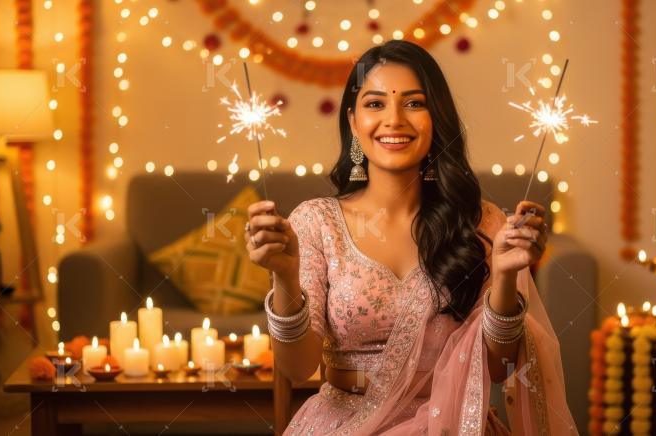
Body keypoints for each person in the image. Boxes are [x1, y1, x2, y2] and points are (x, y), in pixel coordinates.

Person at [245, 40, 576, 435]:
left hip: (453, 425)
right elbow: (298, 369)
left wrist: (505, 278)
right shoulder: (316, 223)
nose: (394, 119)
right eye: (375, 104)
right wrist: (285, 277)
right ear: (353, 122)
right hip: (344, 423)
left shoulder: (479, 222)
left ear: (437, 118)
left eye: (415, 104)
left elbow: (500, 370)